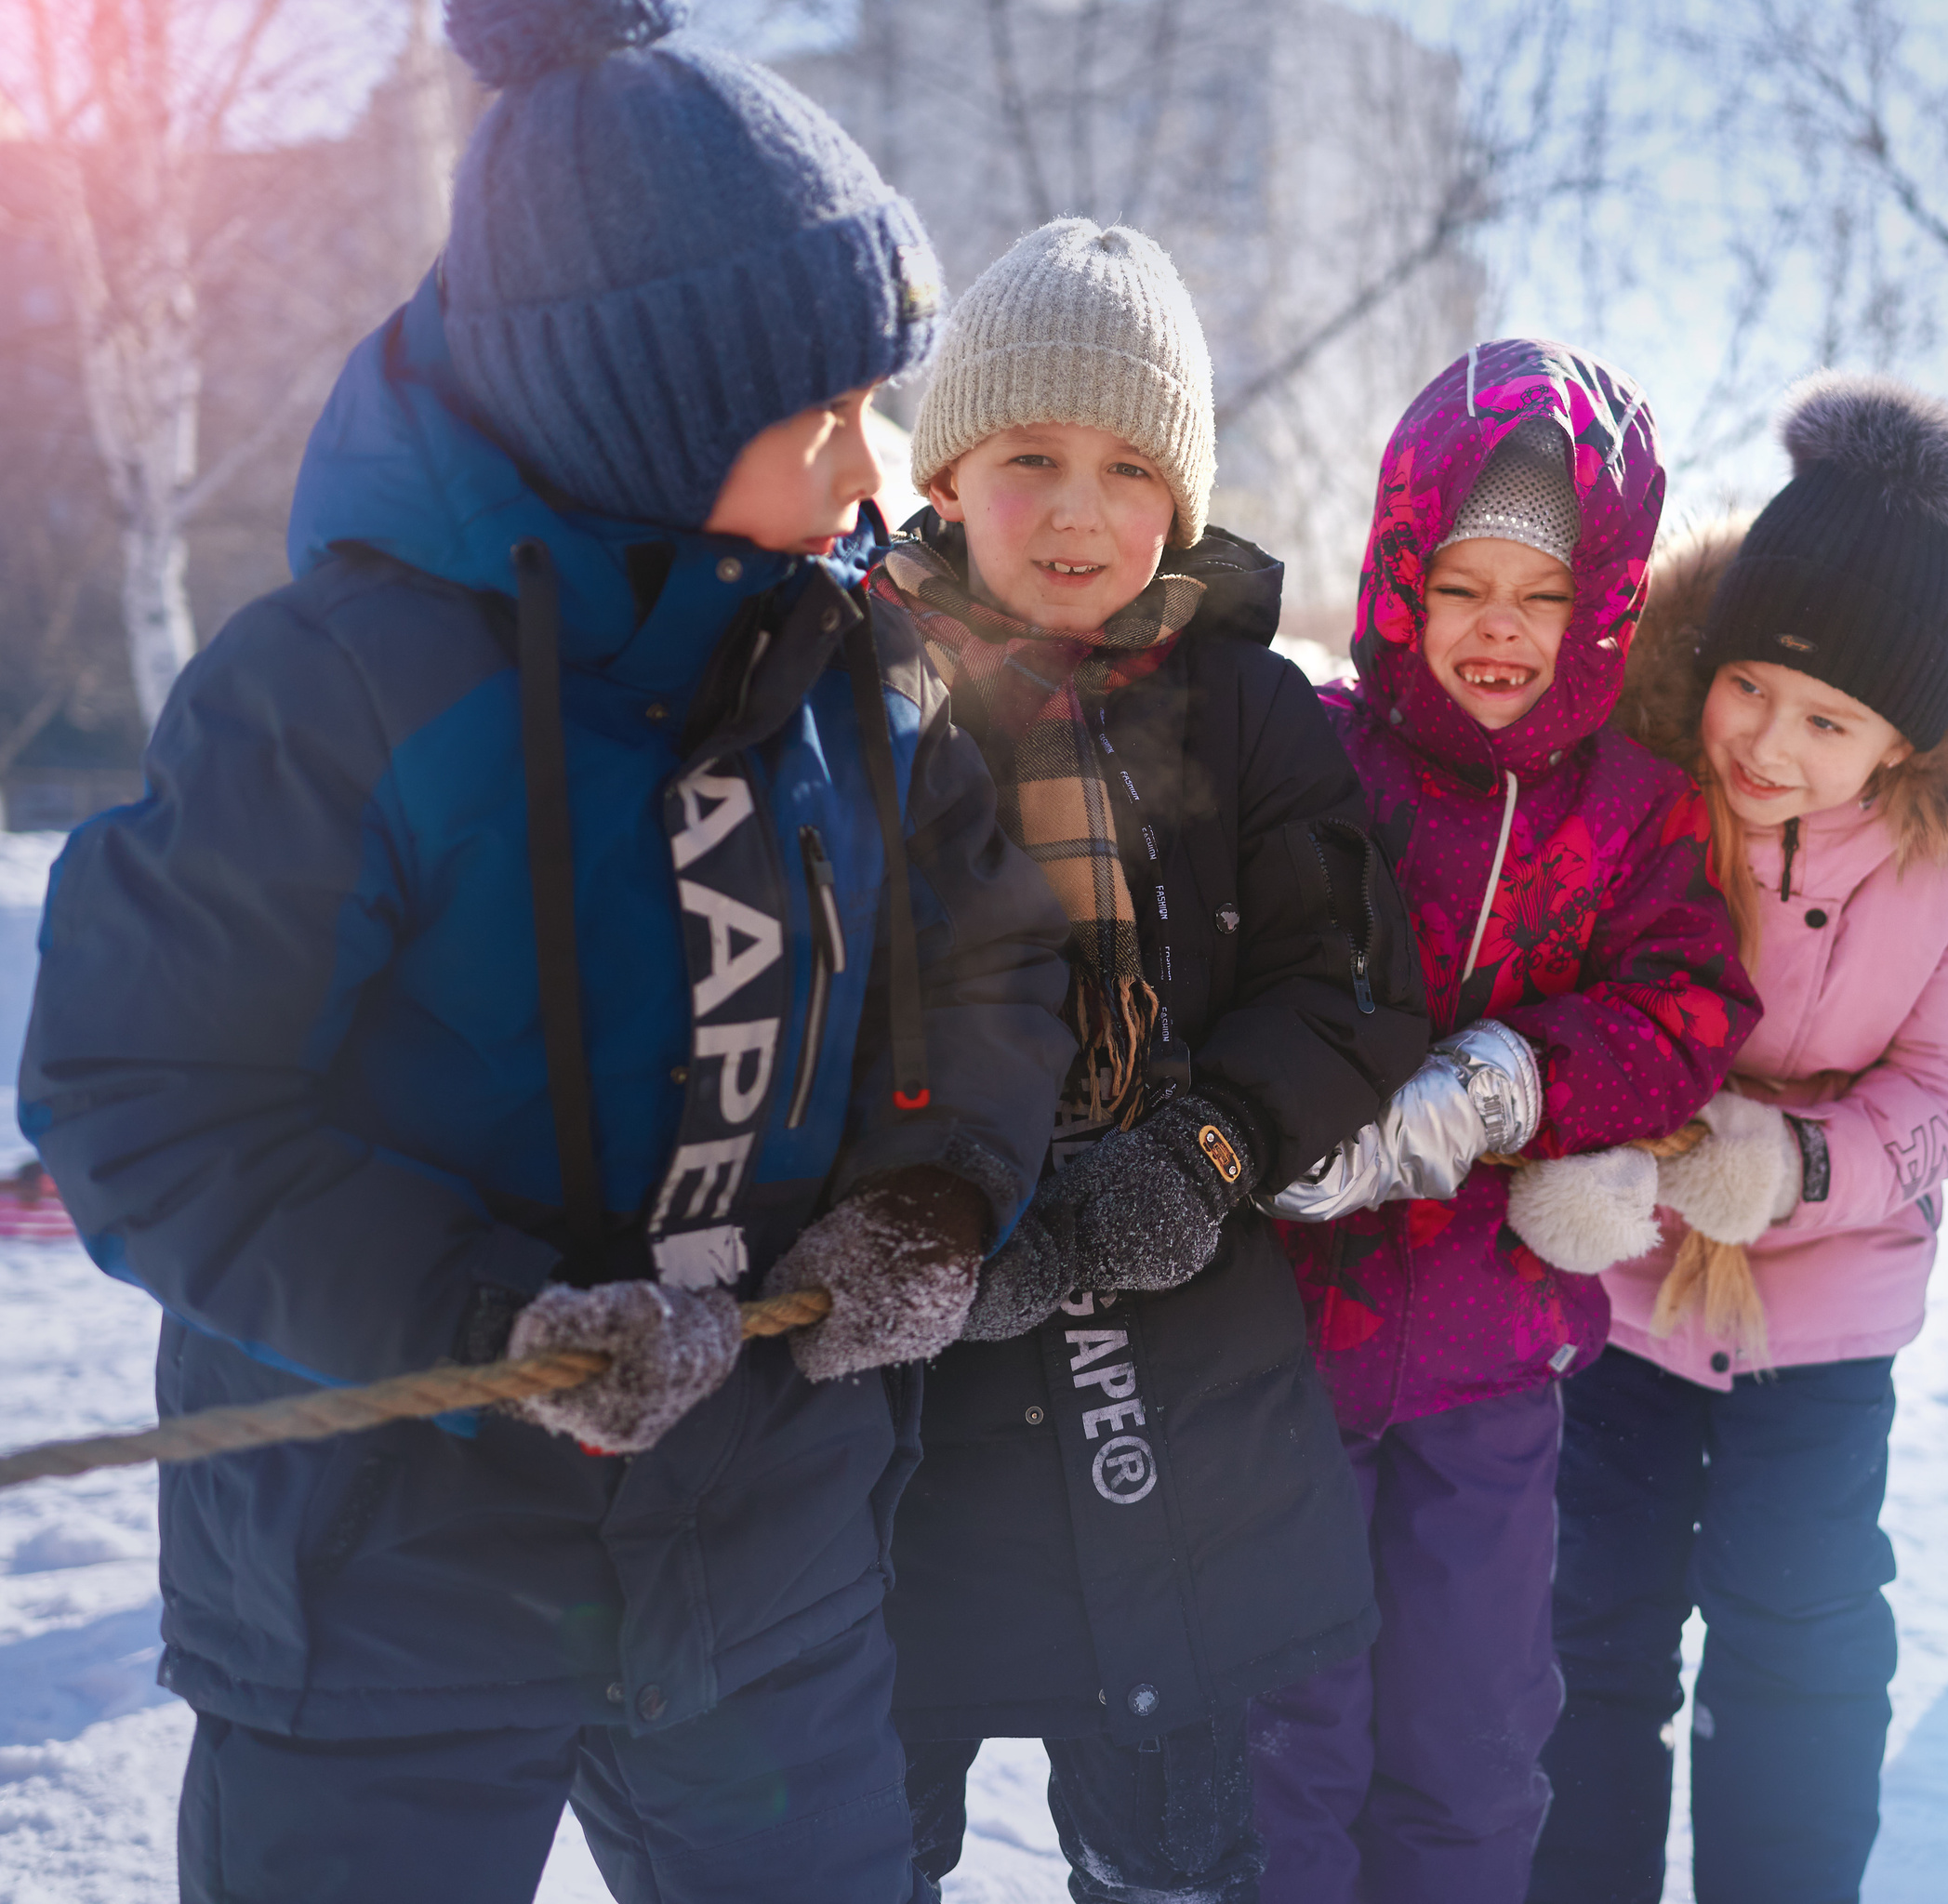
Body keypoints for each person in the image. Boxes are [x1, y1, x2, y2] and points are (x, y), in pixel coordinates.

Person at [17, 7, 1076, 1900]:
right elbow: (147, 1094)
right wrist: (479, 1327)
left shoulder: (857, 669)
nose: (876, 467)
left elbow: (990, 961)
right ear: (651, 417)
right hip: (387, 1597)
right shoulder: (339, 699)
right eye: (823, 412)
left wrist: (936, 1192)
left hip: (762, 1569)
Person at [869, 219, 1433, 1904]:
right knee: (863, 1821)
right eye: (1028, 456)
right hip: (916, 1401)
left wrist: (1197, 1160)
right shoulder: (867, 688)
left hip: (1178, 1399)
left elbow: (1343, 980)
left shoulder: (1253, 713)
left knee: (1179, 1840)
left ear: (1179, 501)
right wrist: (912, 1213)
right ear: (951, 469)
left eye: (1128, 467)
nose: (1077, 509)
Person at [1246, 337, 1761, 1904]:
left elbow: (1689, 1010)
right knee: (1289, 1737)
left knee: (1471, 1751)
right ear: (1401, 570)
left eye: (1543, 598)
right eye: (1465, 585)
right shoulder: (1318, 757)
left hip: (1492, 1360)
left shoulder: (1637, 811)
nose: (1499, 632)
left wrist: (1510, 1078)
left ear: (1602, 604)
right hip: (1283, 1352)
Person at [1525, 375, 1948, 1904]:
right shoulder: (1632, 786)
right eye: (1751, 685)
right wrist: (1579, 1132)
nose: (1768, 740)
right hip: (1613, 1302)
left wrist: (1802, 1168)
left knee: (1801, 1637)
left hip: (1821, 1324)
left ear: (1903, 741)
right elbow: (1542, 976)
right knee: (1587, 1628)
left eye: (1829, 721)